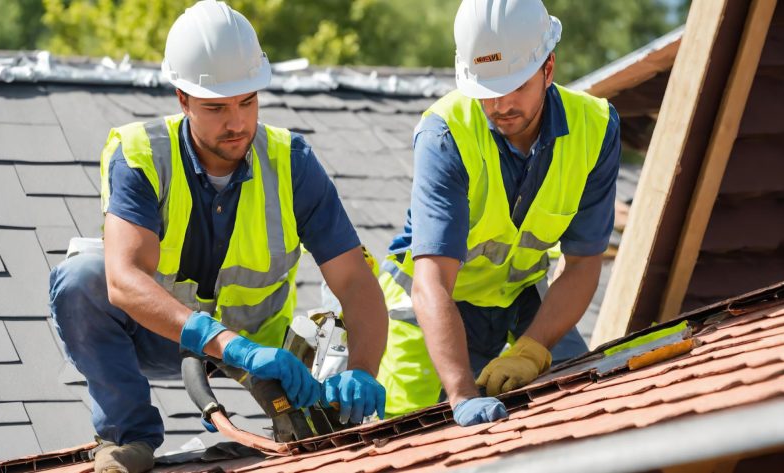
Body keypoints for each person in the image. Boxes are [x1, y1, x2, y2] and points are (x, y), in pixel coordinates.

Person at [48, 2, 387, 472]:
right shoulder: (140, 154)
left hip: (267, 354)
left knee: (322, 444)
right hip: (161, 335)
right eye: (216, 107)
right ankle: (127, 437)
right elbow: (123, 281)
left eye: (247, 100)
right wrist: (226, 342)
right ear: (182, 99)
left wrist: (363, 371)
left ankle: (297, 424)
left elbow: (355, 281)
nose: (237, 123)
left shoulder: (291, 162)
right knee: (81, 277)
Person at [376, 0, 621, 427]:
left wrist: (531, 350)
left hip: (518, 303)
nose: (501, 104)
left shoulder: (596, 127)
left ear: (549, 68)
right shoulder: (445, 134)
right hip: (429, 315)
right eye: (487, 90)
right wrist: (462, 394)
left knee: (585, 405)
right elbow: (431, 282)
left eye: (516, 85)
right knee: (408, 441)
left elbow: (582, 264)